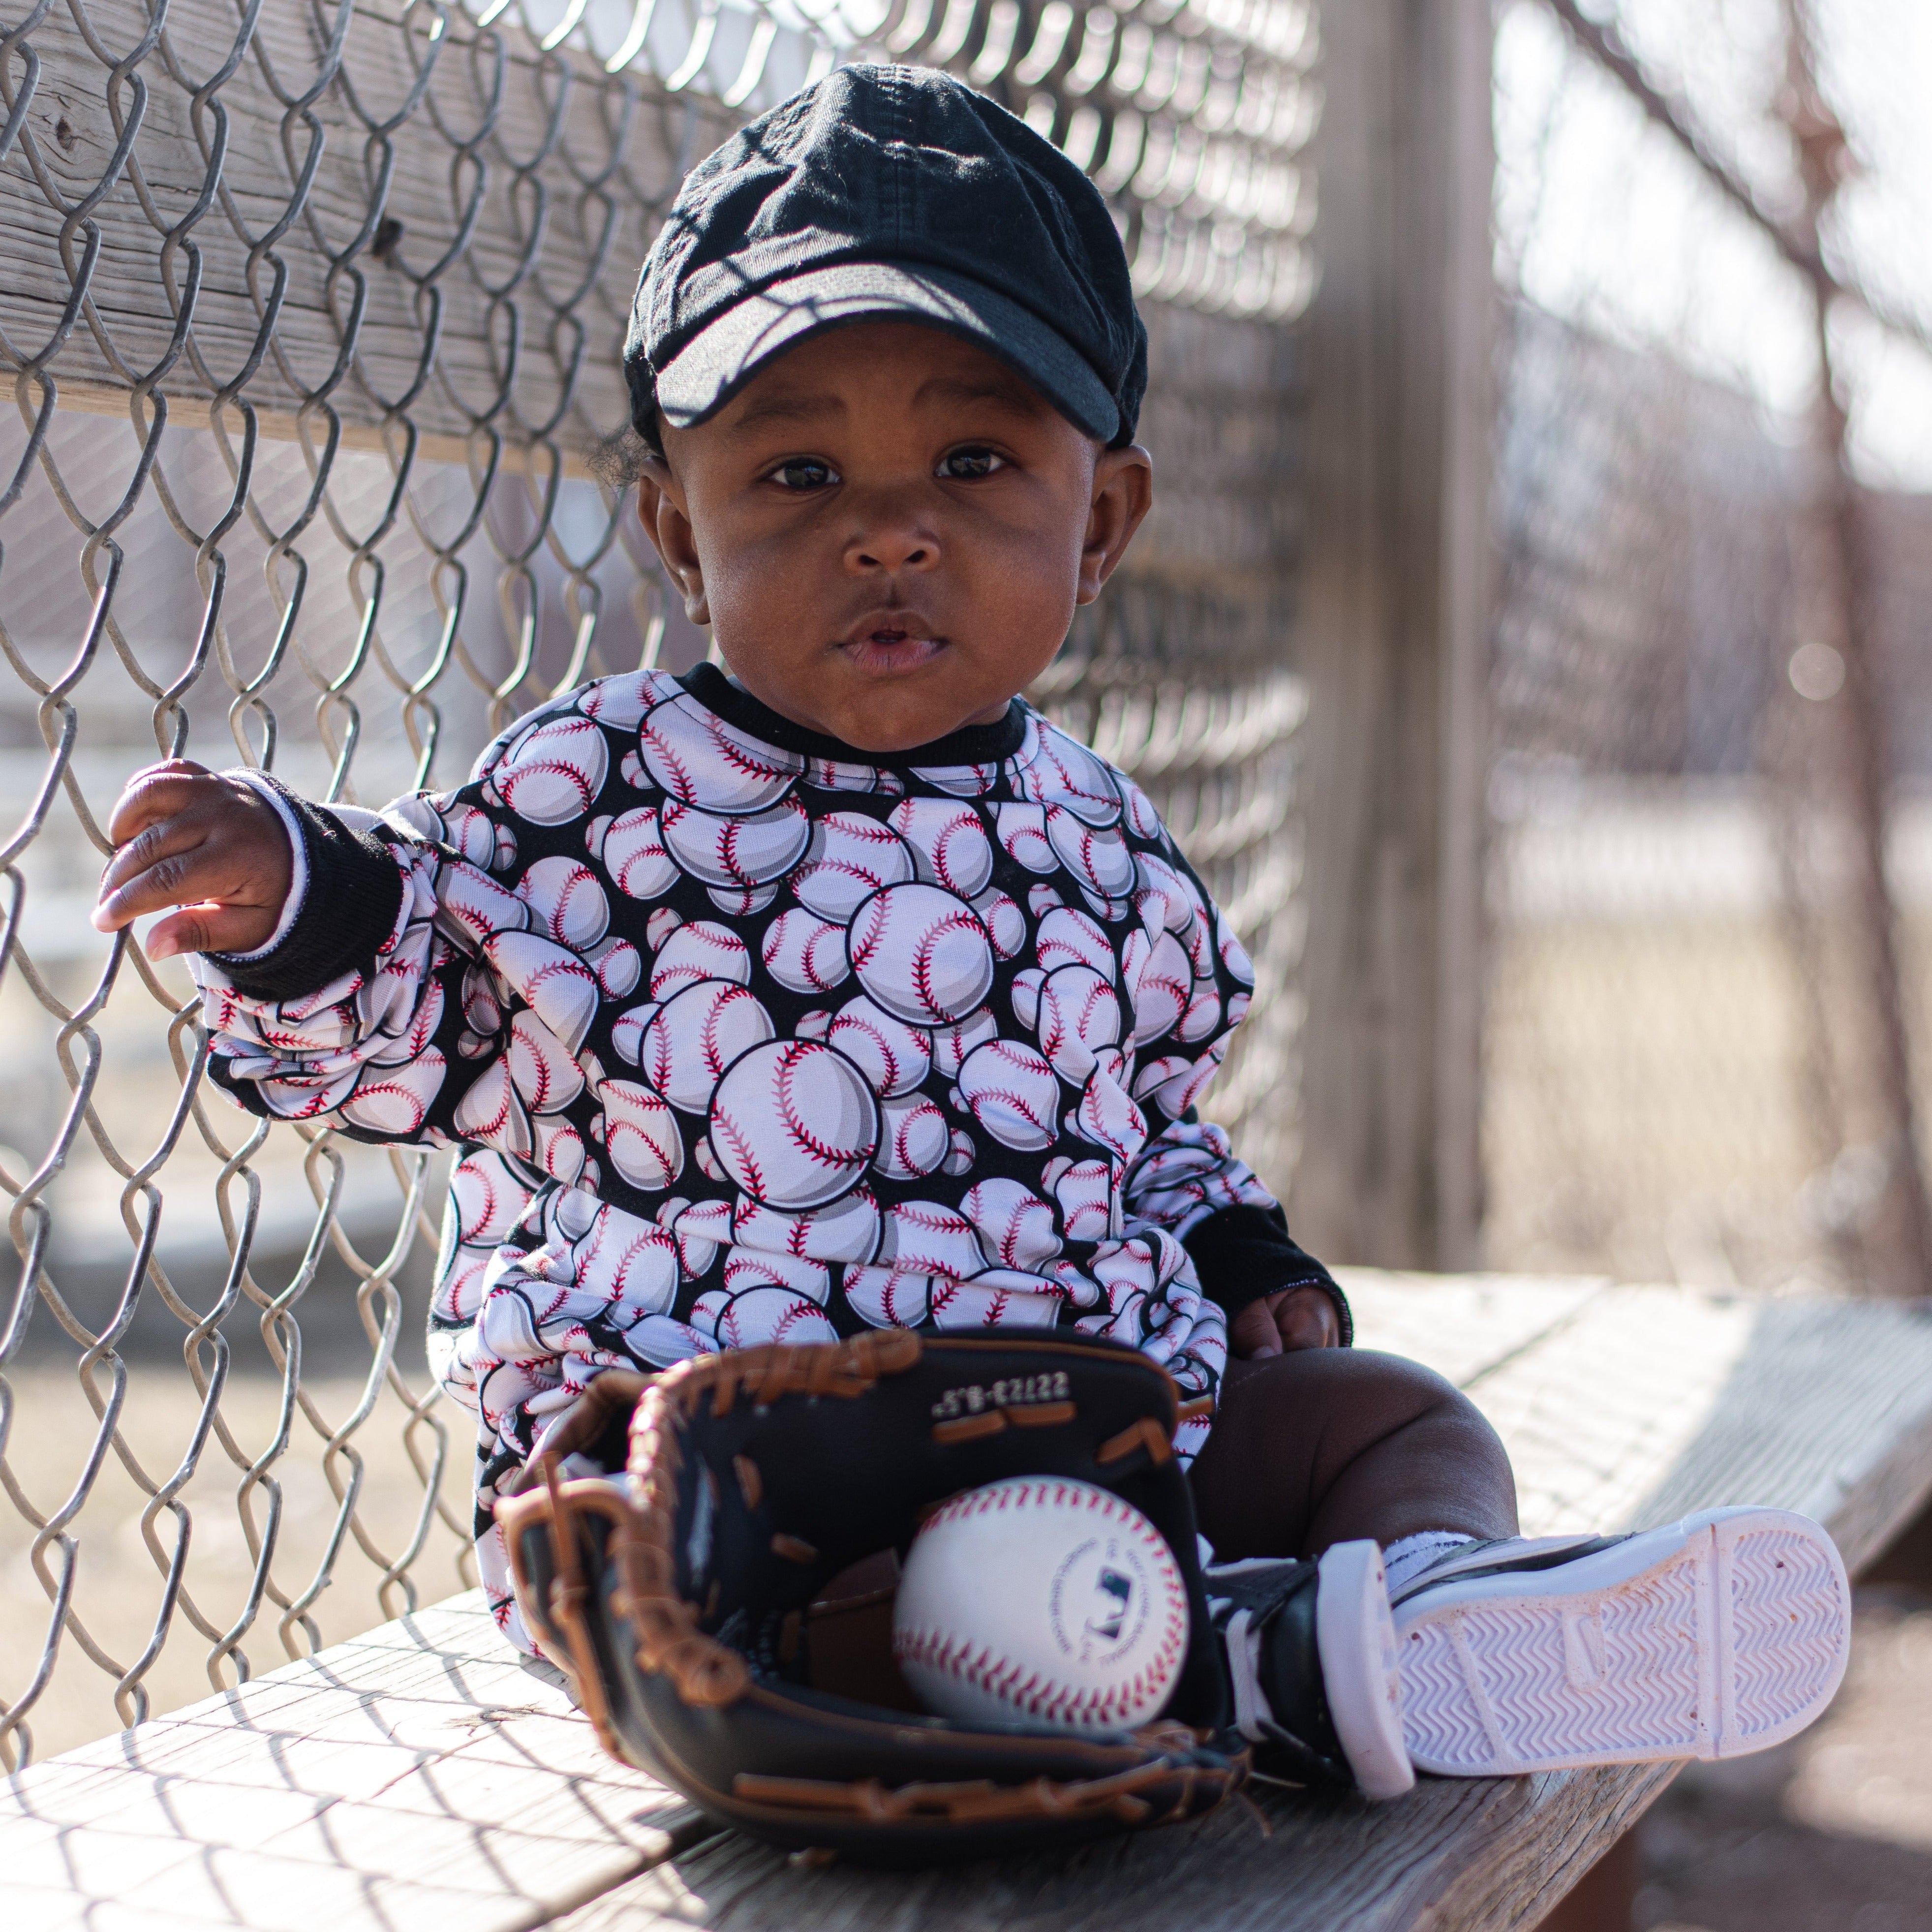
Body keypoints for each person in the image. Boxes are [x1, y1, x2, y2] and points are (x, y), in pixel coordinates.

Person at [92, 65, 1847, 1796]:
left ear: (1099, 527)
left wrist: (1236, 1256)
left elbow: (1146, 1129)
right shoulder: (595, 792)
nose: (887, 530)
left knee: (1401, 1422)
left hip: (1096, 1421)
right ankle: (1248, 1663)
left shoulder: (1102, 839)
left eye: (974, 458)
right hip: (732, 1482)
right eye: (792, 473)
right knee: (795, 1600)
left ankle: (1422, 1620)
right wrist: (307, 907)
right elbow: (430, 1036)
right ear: (678, 536)